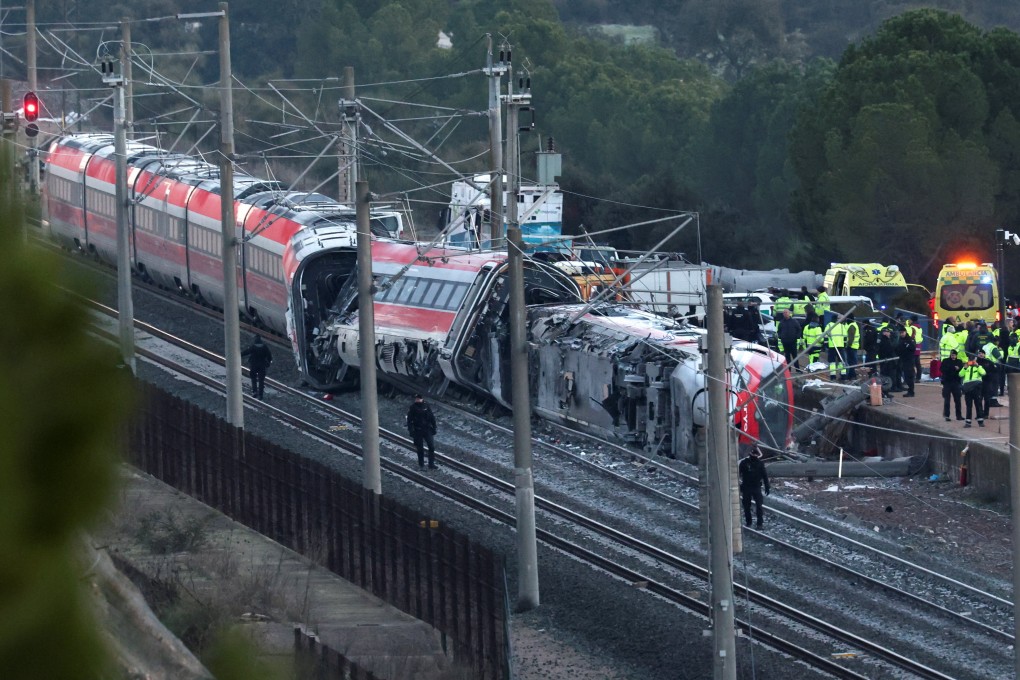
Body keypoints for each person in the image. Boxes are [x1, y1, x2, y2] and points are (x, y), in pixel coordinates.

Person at [738, 446, 771, 529]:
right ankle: (748, 522)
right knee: (746, 506)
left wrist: (767, 486)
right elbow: (738, 474)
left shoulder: (760, 464)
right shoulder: (744, 463)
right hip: (746, 487)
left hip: (756, 487)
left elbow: (764, 476)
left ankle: (759, 524)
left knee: (759, 506)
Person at [406, 393, 438, 469]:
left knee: (431, 447)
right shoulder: (413, 407)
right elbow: (409, 420)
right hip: (418, 430)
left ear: (422, 399)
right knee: (420, 449)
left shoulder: (426, 406)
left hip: (427, 430)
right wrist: (411, 431)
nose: (417, 400)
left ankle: (431, 464)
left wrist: (434, 427)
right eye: (416, 398)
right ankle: (421, 465)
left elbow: (432, 417)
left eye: (418, 398)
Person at [241, 335, 273, 399]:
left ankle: (254, 392)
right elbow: (269, 356)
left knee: (254, 379)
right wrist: (269, 362)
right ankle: (261, 395)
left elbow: (246, 352)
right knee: (261, 380)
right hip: (262, 366)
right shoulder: (265, 347)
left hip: (253, 365)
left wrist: (240, 354)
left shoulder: (253, 347)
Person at [961, 356, 987, 427]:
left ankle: (980, 421)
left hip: (976, 388)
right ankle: (968, 422)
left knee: (978, 405)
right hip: (968, 389)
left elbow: (984, 373)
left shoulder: (979, 367)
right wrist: (964, 367)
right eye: (970, 360)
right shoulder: (966, 368)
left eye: (973, 360)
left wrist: (978, 366)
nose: (971, 362)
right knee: (968, 406)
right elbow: (960, 374)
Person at [941, 349, 964, 422]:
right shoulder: (945, 361)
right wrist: (953, 368)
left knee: (958, 400)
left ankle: (959, 415)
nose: (953, 356)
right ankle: (947, 415)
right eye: (952, 355)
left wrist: (956, 368)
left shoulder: (959, 362)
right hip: (947, 382)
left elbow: (961, 371)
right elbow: (942, 369)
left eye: (954, 355)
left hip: (956, 383)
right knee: (947, 400)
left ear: (956, 355)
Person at [897, 327, 916, 397]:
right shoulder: (900, 339)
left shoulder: (909, 339)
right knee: (906, 376)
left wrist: (906, 345)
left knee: (909, 376)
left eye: (902, 332)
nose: (901, 334)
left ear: (905, 332)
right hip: (903, 360)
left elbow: (913, 348)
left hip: (909, 360)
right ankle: (910, 390)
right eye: (900, 333)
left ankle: (911, 391)